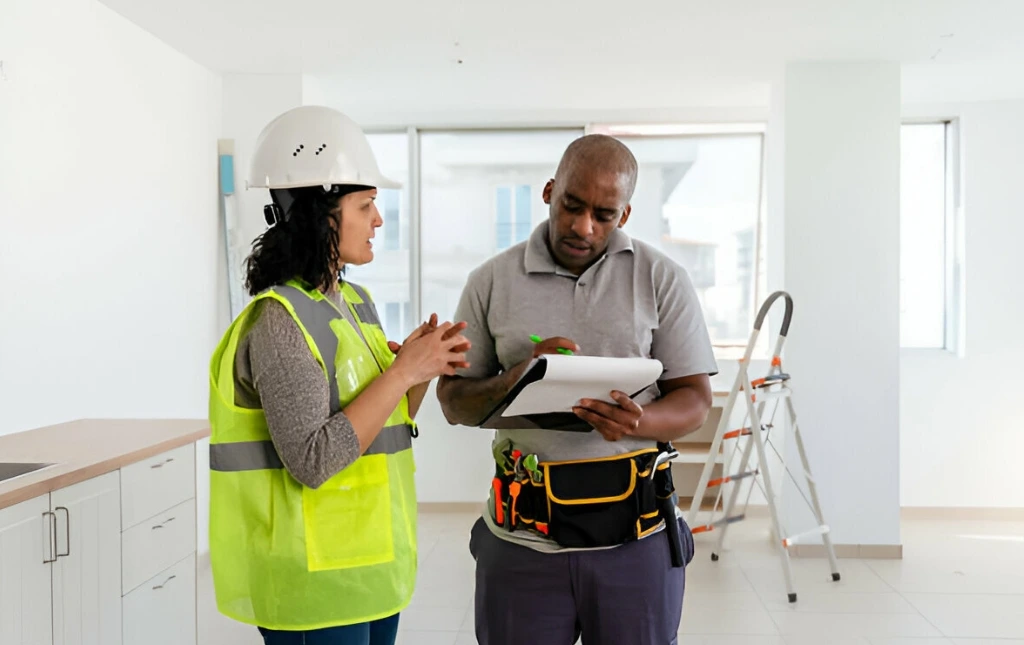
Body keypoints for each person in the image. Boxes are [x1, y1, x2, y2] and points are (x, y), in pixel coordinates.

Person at [436, 134, 718, 645]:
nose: (584, 226)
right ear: (549, 191)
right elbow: (453, 402)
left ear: (625, 214)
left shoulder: (662, 278)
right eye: (572, 205)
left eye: (604, 214)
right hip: (522, 543)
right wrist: (518, 377)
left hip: (637, 544)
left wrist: (640, 422)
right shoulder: (490, 282)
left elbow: (696, 400)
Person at [207, 105, 470, 645]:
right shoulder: (279, 322)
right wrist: (399, 374)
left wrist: (419, 370)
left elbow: (385, 424)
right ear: (320, 214)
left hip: (368, 565)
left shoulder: (356, 302)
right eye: (366, 205)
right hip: (313, 582)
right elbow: (313, 459)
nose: (378, 220)